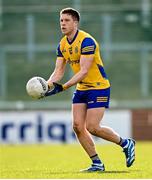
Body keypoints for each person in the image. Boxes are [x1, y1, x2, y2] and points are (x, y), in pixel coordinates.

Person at [44, 7, 135, 172]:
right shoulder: (62, 45)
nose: (63, 24)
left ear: (75, 23)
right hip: (82, 88)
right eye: (61, 21)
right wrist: (47, 85)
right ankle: (97, 163)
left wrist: (63, 87)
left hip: (98, 87)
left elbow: (84, 71)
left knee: (93, 127)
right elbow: (58, 71)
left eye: (67, 20)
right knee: (78, 126)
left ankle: (125, 143)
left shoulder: (87, 41)